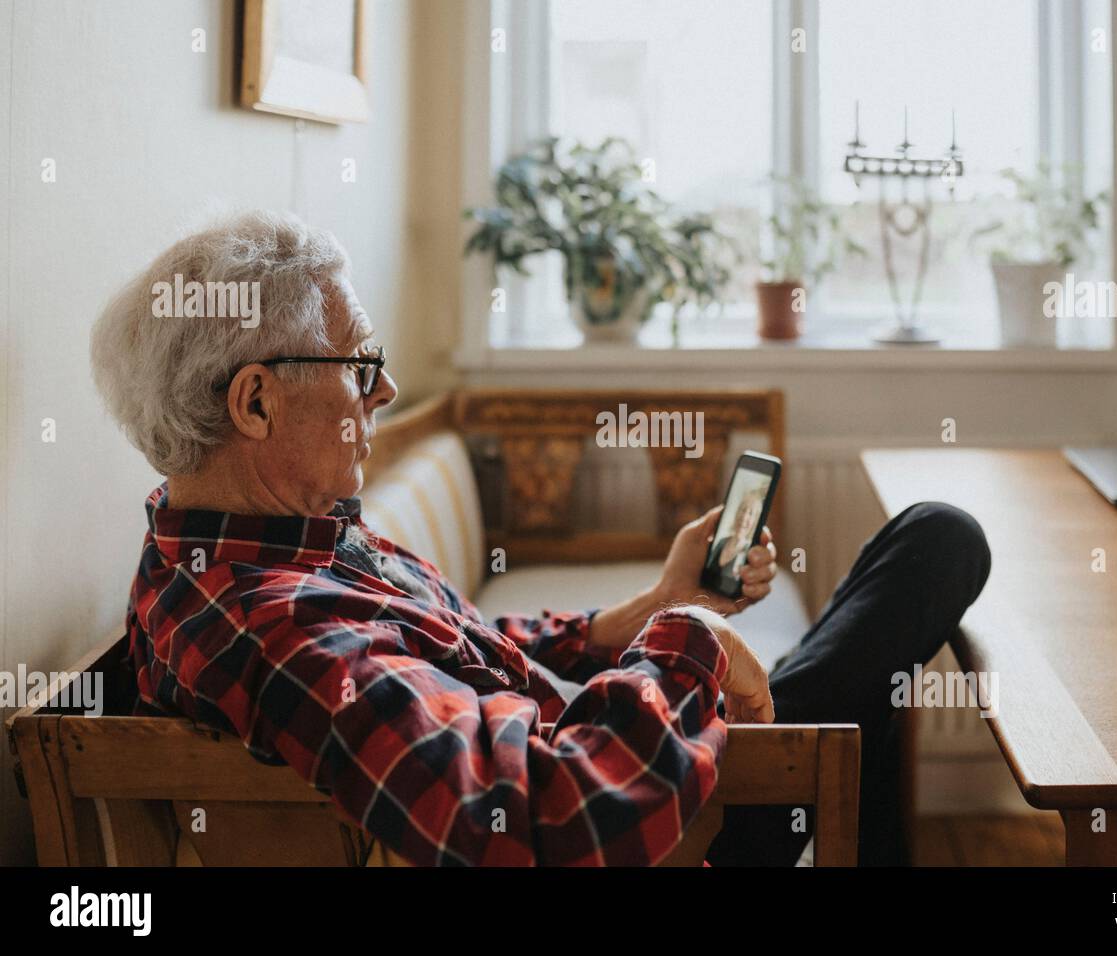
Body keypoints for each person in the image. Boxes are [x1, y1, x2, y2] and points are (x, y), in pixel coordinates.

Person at [91, 210, 990, 866]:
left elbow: (459, 643)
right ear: (255, 401)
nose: (387, 391)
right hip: (663, 817)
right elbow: (547, 818)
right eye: (361, 363)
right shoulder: (282, 629)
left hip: (613, 730)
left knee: (896, 617)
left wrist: (652, 609)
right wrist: (696, 638)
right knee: (933, 553)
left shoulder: (246, 546)